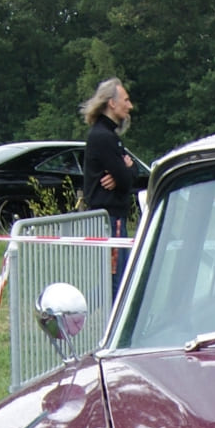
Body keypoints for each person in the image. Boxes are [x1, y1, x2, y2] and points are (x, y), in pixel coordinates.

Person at [81, 78, 139, 299]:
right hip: (110, 218)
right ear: (112, 103)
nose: (130, 105)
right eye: (126, 100)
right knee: (116, 282)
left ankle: (80, 318)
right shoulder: (102, 138)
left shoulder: (111, 137)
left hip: (115, 217)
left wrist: (125, 172)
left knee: (116, 279)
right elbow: (126, 179)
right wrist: (123, 173)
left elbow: (131, 175)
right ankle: (86, 321)